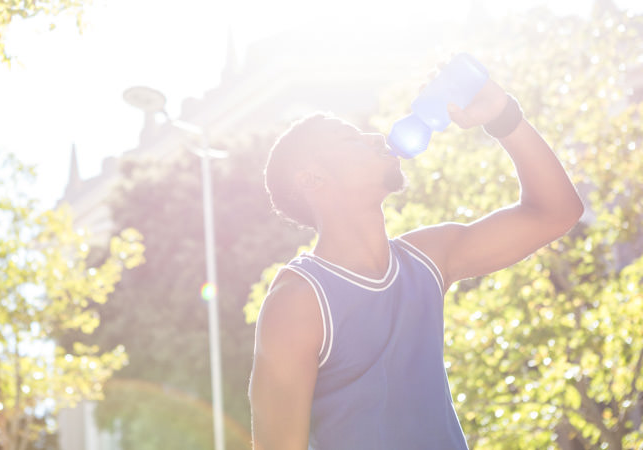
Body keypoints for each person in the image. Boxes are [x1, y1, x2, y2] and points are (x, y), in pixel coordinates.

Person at [248, 65, 584, 450]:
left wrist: (502, 116)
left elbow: (557, 212)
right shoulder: (299, 303)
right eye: (350, 139)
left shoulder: (427, 259)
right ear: (311, 179)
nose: (376, 137)